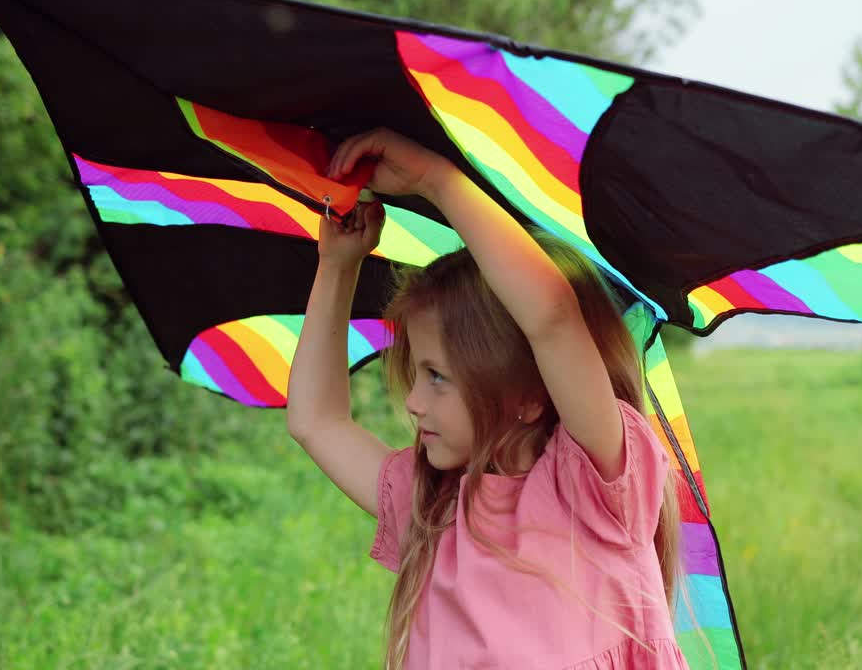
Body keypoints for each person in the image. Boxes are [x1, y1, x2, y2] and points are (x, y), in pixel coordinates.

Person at [287, 128, 689, 669]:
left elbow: (551, 318)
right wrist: (337, 267)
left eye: (437, 377)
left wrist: (437, 181)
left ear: (527, 397)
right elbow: (317, 422)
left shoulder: (595, 491)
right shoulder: (431, 507)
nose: (413, 402)